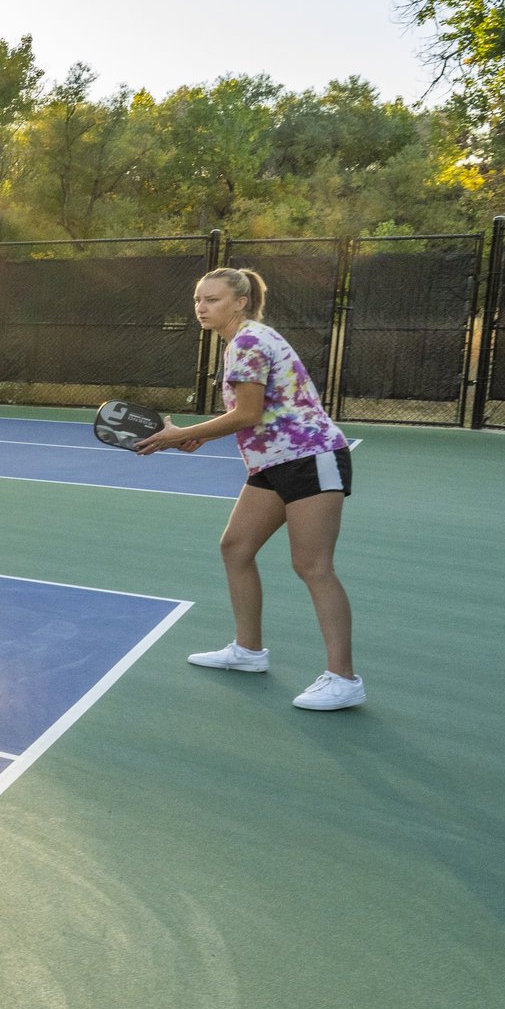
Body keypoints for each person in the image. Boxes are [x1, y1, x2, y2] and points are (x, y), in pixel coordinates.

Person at [134, 268, 363, 710]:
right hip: (274, 462)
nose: (202, 307)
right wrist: (198, 434)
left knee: (313, 566)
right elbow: (249, 412)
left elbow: (249, 413)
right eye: (198, 299)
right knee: (236, 547)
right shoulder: (248, 339)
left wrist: (180, 434)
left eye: (213, 299)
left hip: (309, 457)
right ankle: (248, 651)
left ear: (239, 303)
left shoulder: (248, 342)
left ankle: (344, 677)